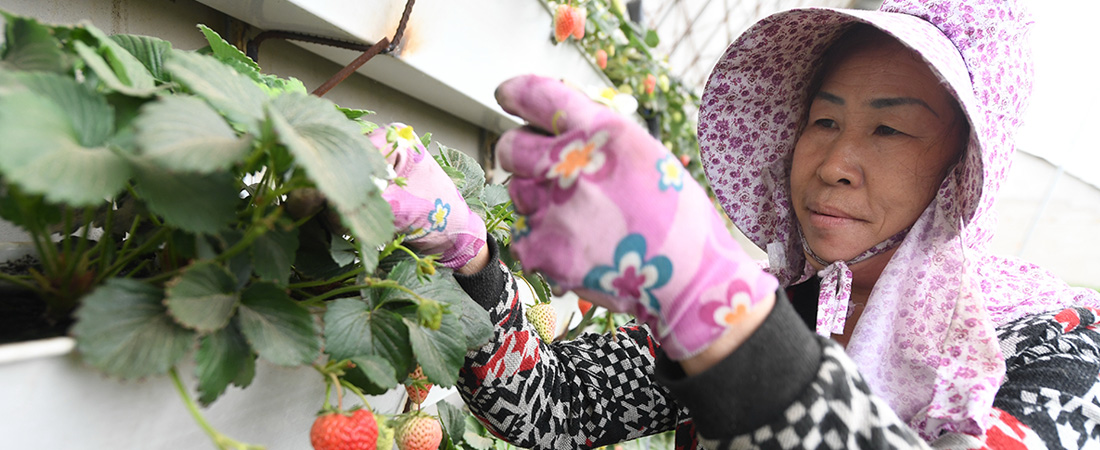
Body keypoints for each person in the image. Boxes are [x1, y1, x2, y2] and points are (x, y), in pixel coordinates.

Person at [373, 0, 1100, 448]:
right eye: (823, 120)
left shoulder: (1055, 346)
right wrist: (471, 259)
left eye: (891, 132)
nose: (835, 162)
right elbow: (554, 409)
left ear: (964, 169)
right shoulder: (785, 305)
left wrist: (717, 304)